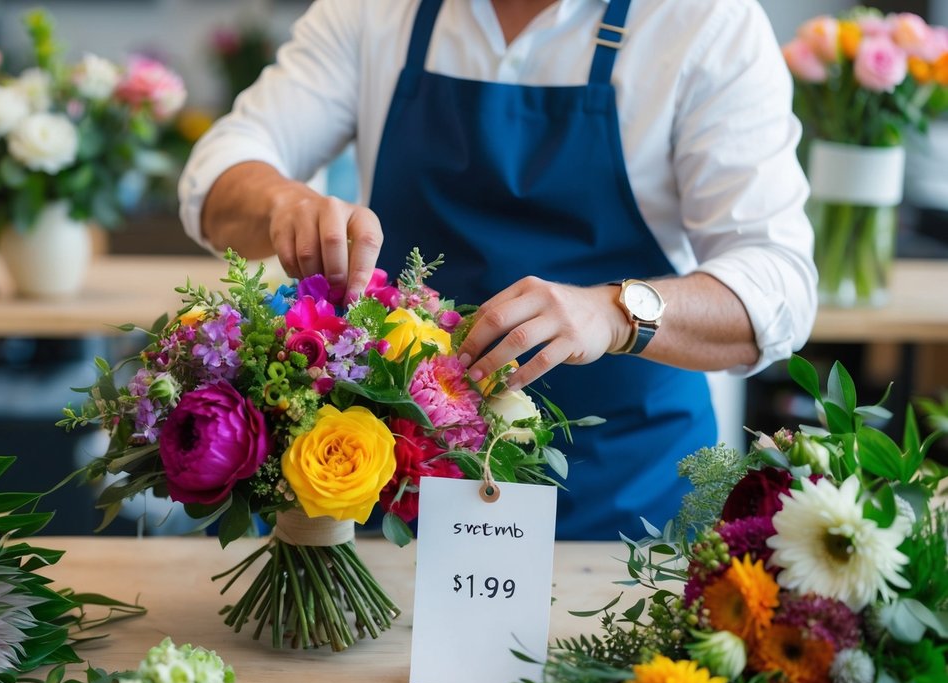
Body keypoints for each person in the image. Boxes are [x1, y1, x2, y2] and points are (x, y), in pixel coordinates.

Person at [178, 0, 816, 540]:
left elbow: (779, 285)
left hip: (624, 503)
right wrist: (282, 203)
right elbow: (218, 172)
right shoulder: (374, 11)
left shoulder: (704, 21)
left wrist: (615, 312)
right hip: (394, 489)